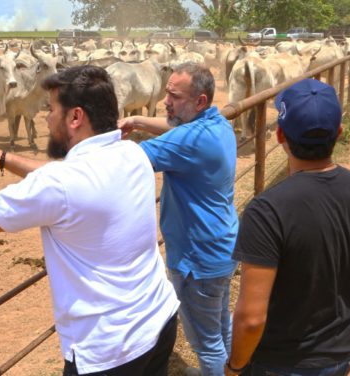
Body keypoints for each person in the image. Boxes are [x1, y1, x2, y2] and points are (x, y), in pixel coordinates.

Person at [0, 65, 180, 376]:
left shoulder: (61, 184)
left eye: (50, 109)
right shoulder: (132, 154)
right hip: (158, 319)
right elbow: (65, 181)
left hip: (108, 351)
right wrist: (3, 158)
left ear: (75, 117)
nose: (46, 118)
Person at [225, 78, 350, 376]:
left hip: (282, 361)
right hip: (341, 353)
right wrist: (339, 311)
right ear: (340, 132)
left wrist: (234, 366)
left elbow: (252, 319)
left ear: (280, 135)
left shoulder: (267, 210)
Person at [119, 62, 238, 376]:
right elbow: (178, 130)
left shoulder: (189, 141)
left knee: (206, 343)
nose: (166, 101)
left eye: (174, 96)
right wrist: (135, 120)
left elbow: (126, 162)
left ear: (199, 101)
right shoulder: (217, 124)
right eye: (167, 93)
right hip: (222, 247)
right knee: (221, 323)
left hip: (196, 259)